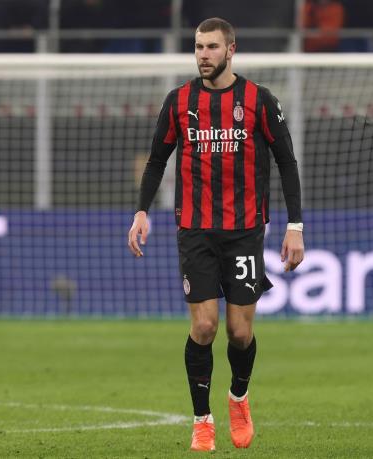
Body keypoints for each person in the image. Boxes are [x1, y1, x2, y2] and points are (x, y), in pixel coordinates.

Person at [127, 17, 305, 451]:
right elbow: (156, 160)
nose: (203, 54)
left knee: (239, 333)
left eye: (211, 47)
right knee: (205, 325)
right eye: (198, 47)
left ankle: (238, 398)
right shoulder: (179, 101)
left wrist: (295, 226)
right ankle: (202, 420)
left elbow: (286, 161)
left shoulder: (259, 100)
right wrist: (141, 211)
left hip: (244, 232)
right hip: (196, 230)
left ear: (231, 50)